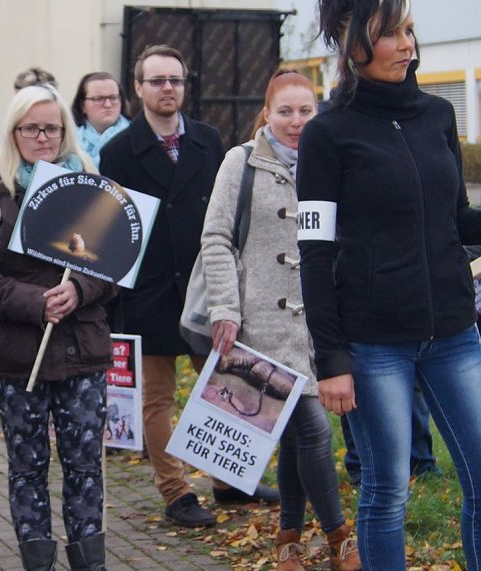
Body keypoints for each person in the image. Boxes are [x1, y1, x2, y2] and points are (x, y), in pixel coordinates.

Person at [298, 1, 481, 568]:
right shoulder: (326, 135)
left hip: (454, 332)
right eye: (391, 34)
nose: (407, 45)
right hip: (374, 346)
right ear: (354, 44)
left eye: (409, 32)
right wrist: (331, 359)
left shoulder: (436, 116)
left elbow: (457, 219)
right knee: (387, 492)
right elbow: (314, 255)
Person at [100, 45, 274, 528]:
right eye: (156, 81)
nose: (167, 88)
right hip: (149, 291)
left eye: (174, 80)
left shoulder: (207, 138)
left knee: (225, 388)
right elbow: (115, 230)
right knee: (157, 398)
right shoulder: (118, 151)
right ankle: (175, 492)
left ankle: (228, 481)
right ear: (138, 88)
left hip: (203, 288)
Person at [201, 69, 361, 571]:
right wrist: (225, 307)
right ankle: (338, 536)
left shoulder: (328, 159)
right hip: (259, 325)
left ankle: (288, 535)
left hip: (316, 324)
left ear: (317, 112)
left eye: (305, 110)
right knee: (311, 428)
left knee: (294, 435)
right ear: (266, 114)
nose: (296, 121)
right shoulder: (240, 161)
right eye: (285, 111)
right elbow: (216, 238)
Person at [0, 84, 115, 571]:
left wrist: (81, 290)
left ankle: (91, 561)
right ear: (14, 132)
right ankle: (37, 561)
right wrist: (35, 301)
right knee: (28, 466)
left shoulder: (90, 185)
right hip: (16, 352)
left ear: (65, 130)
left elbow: (114, 267)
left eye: (52, 127)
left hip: (81, 347)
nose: (43, 137)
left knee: (85, 464)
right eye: (31, 128)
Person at [71, 72, 130, 167]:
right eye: (98, 99)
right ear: (82, 105)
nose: (108, 104)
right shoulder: (69, 142)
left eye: (113, 98)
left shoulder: (137, 137)